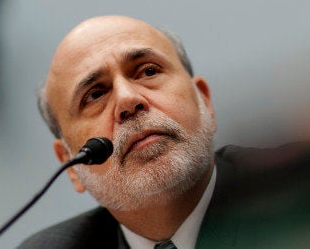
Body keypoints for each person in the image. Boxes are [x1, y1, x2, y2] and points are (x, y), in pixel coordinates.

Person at [20, 15, 223, 248]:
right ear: (72, 164)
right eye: (95, 95)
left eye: (148, 72)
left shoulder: (273, 199)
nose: (128, 100)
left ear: (204, 101)